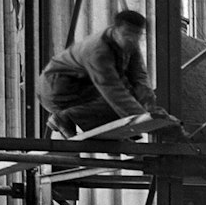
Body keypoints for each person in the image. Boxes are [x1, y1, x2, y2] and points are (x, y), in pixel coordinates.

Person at [36, 8, 181, 136]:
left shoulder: (130, 45)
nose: (132, 39)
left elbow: (139, 78)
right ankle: (64, 118)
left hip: (82, 87)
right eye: (127, 34)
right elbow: (113, 91)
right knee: (117, 105)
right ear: (115, 30)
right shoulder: (98, 51)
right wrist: (147, 121)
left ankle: (69, 118)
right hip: (56, 88)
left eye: (137, 34)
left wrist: (151, 109)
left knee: (128, 101)